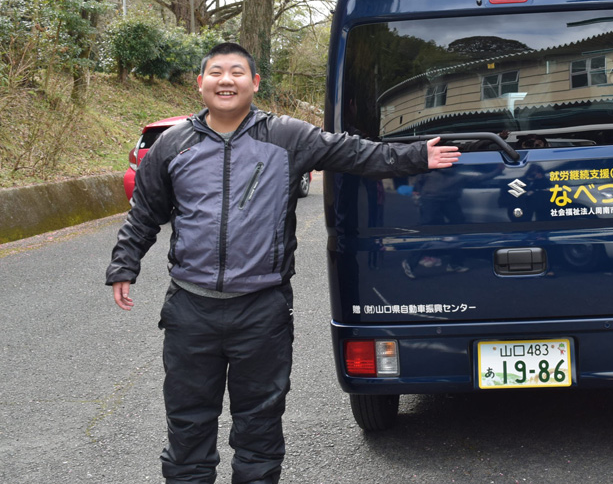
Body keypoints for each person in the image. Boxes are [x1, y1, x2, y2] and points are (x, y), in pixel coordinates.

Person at [105, 42, 460, 484]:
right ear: (200, 83)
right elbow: (145, 210)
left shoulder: (286, 136)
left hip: (262, 308)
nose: (226, 80)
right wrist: (125, 264)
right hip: (190, 309)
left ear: (254, 83)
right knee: (188, 421)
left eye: (237, 72)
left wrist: (415, 156)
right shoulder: (173, 145)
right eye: (216, 72)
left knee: (260, 422)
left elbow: (353, 152)